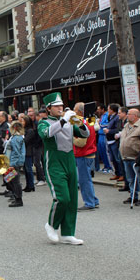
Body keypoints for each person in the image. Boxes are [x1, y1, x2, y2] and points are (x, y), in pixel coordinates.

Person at [38, 93, 88, 245]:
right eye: (56, 106)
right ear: (49, 108)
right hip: (54, 162)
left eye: (61, 105)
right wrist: (64, 119)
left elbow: (85, 134)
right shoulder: (44, 123)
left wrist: (80, 123)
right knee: (62, 198)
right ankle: (51, 225)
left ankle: (68, 233)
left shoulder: (69, 121)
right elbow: (47, 134)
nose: (60, 108)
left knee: (72, 199)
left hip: (70, 160)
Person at [73, 102, 99, 211]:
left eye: (75, 110)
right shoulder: (90, 120)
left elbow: (81, 142)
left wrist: (71, 138)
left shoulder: (81, 122)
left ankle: (89, 202)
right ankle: (93, 199)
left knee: (84, 180)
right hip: (89, 152)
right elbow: (96, 128)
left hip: (83, 153)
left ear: (79, 111)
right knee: (87, 178)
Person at [119, 109, 140, 205]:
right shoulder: (127, 125)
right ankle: (133, 196)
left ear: (135, 116)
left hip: (136, 157)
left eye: (129, 114)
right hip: (126, 156)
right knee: (130, 179)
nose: (127, 115)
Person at [4, 121, 25, 207]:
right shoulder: (17, 137)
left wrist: (12, 164)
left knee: (15, 181)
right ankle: (15, 196)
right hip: (13, 162)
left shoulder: (16, 138)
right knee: (10, 179)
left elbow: (16, 153)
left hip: (13, 163)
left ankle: (18, 199)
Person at [20, 115, 36, 192]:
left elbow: (26, 141)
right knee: (25, 170)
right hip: (24, 152)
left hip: (28, 152)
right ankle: (28, 185)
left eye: (23, 121)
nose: (21, 123)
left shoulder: (30, 131)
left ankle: (31, 185)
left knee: (29, 169)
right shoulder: (23, 130)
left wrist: (21, 137)